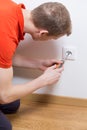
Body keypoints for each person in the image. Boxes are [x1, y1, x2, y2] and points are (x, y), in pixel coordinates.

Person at [0, 0, 72, 130]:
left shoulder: (10, 9)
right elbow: (4, 96)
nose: (49, 40)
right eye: (51, 38)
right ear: (43, 33)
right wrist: (43, 81)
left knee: (12, 104)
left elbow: (4, 57)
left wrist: (39, 63)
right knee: (5, 126)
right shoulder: (5, 34)